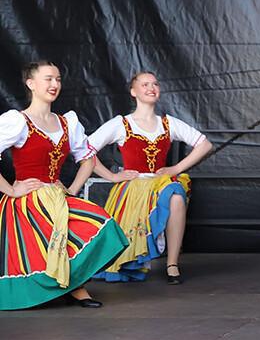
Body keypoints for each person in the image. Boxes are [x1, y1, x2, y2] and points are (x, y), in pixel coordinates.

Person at [0, 60, 128, 310]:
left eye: (57, 79)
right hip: (28, 201)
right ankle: (70, 288)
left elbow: (89, 160)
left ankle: (74, 284)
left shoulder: (67, 122)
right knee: (34, 252)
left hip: (57, 194)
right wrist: (12, 189)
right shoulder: (17, 121)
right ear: (31, 83)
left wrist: (71, 190)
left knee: (98, 222)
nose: (54, 84)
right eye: (48, 79)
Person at [89, 71, 212, 284]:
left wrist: (176, 168)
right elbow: (85, 150)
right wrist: (111, 176)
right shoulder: (121, 124)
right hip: (133, 188)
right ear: (133, 91)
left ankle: (172, 264)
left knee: (175, 194)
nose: (151, 88)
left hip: (160, 182)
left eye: (155, 84)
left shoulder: (168, 123)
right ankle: (134, 261)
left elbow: (205, 144)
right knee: (172, 195)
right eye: (145, 84)